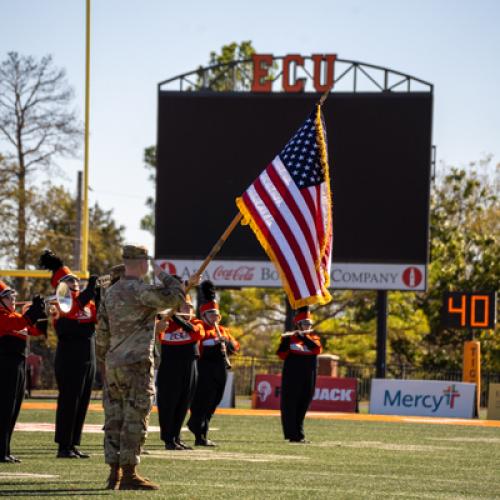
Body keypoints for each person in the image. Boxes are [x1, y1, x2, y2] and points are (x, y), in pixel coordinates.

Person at [96, 245, 186, 491]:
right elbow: (176, 297)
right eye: (147, 262)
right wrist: (165, 276)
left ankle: (113, 473)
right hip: (136, 363)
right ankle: (129, 474)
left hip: (114, 363)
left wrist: (103, 361)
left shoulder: (110, 292)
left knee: (114, 417)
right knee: (135, 418)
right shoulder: (140, 290)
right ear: (142, 263)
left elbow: (101, 333)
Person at [39, 250, 98, 459]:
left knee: (82, 400)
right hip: (70, 354)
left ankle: (73, 443)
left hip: (87, 353)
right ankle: (63, 445)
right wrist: (90, 290)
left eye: (76, 281)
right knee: (69, 400)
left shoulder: (85, 301)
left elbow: (97, 316)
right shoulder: (61, 301)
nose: (75, 284)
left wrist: (97, 294)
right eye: (70, 281)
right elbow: (72, 310)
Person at [187, 280, 239, 447]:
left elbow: (236, 347)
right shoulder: (199, 326)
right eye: (211, 314)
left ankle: (200, 429)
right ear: (203, 315)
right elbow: (198, 347)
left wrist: (226, 343)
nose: (214, 317)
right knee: (203, 401)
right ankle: (199, 433)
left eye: (216, 314)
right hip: (204, 370)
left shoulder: (223, 330)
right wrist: (214, 344)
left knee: (214, 401)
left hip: (220, 370)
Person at [0, 281, 46, 463]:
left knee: (13, 408)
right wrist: (32, 311)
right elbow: (20, 322)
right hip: (4, 365)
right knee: (3, 408)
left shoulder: (14, 315)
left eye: (13, 297)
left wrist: (42, 312)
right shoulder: (3, 317)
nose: (13, 300)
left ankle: (5, 450)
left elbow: (36, 331)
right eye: (8, 297)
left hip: (18, 365)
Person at [156, 294, 204, 450]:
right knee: (169, 403)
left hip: (189, 368)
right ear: (176, 308)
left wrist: (176, 317)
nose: (188, 310)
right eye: (185, 307)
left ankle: (176, 436)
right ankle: (168, 438)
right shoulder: (166, 324)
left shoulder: (196, 323)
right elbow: (158, 333)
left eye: (190, 307)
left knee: (184, 404)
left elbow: (196, 333)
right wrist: (164, 315)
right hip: (169, 369)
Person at [277, 306, 322, 443]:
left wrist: (304, 337)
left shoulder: (313, 337)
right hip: (292, 377)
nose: (308, 326)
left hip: (308, 376)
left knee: (304, 403)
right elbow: (281, 355)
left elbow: (317, 349)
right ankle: (292, 434)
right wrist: (286, 341)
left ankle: (299, 432)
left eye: (309, 324)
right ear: (298, 324)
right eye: (305, 324)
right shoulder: (290, 339)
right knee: (290, 405)